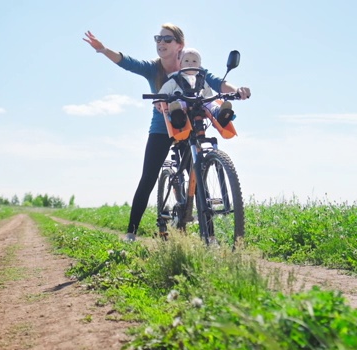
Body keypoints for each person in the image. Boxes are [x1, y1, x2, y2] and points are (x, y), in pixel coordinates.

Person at [83, 24, 251, 241]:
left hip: (189, 125)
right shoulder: (154, 68)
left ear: (179, 44)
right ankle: (131, 233)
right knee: (149, 177)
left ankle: (209, 236)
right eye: (158, 39)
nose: (161, 43)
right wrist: (104, 49)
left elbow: (218, 82)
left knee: (197, 174)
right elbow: (128, 63)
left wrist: (238, 90)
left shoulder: (191, 65)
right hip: (162, 128)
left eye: (167, 39)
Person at [158, 47, 235, 129]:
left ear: (199, 66)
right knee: (177, 104)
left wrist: (210, 100)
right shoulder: (176, 79)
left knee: (210, 105)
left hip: (199, 103)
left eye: (194, 61)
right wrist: (160, 98)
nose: (190, 63)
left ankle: (220, 114)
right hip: (182, 101)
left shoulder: (201, 80)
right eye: (186, 61)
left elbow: (208, 94)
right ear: (180, 64)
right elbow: (165, 90)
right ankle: (177, 115)